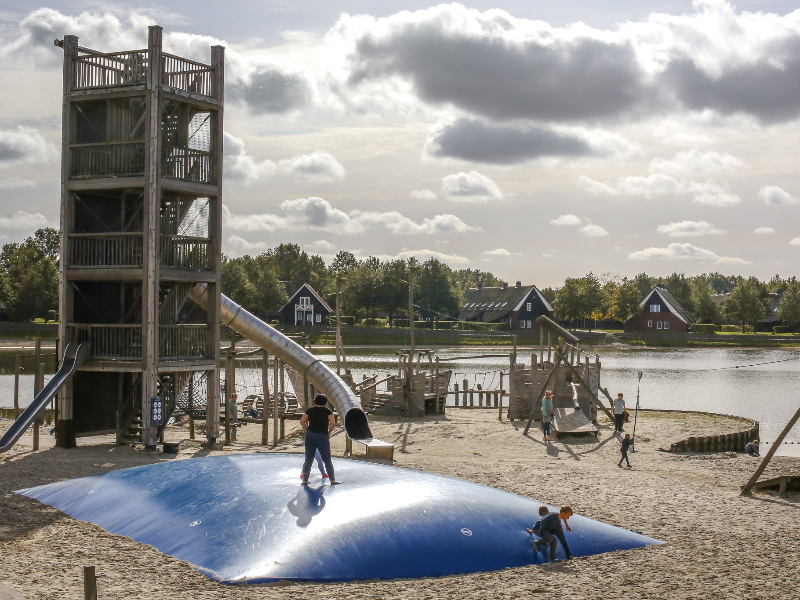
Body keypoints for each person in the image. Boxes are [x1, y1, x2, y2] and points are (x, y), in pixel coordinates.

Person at [300, 394, 338, 485]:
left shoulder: (310, 410)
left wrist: (306, 430)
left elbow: (302, 421)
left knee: (308, 459)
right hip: (322, 436)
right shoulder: (328, 411)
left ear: (315, 401)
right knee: (327, 459)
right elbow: (332, 423)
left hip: (310, 436)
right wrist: (329, 432)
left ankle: (305, 480)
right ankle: (332, 480)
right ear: (325, 402)